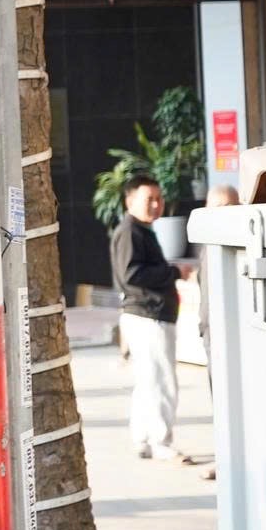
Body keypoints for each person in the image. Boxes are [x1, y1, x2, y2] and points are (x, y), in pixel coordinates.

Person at [108, 175, 193, 462]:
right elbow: (132, 275)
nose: (156, 205)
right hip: (148, 316)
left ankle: (144, 439)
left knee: (148, 381)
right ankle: (160, 441)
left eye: (159, 198)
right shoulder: (131, 232)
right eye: (149, 199)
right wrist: (173, 273)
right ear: (130, 201)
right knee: (161, 381)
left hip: (148, 315)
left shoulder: (139, 230)